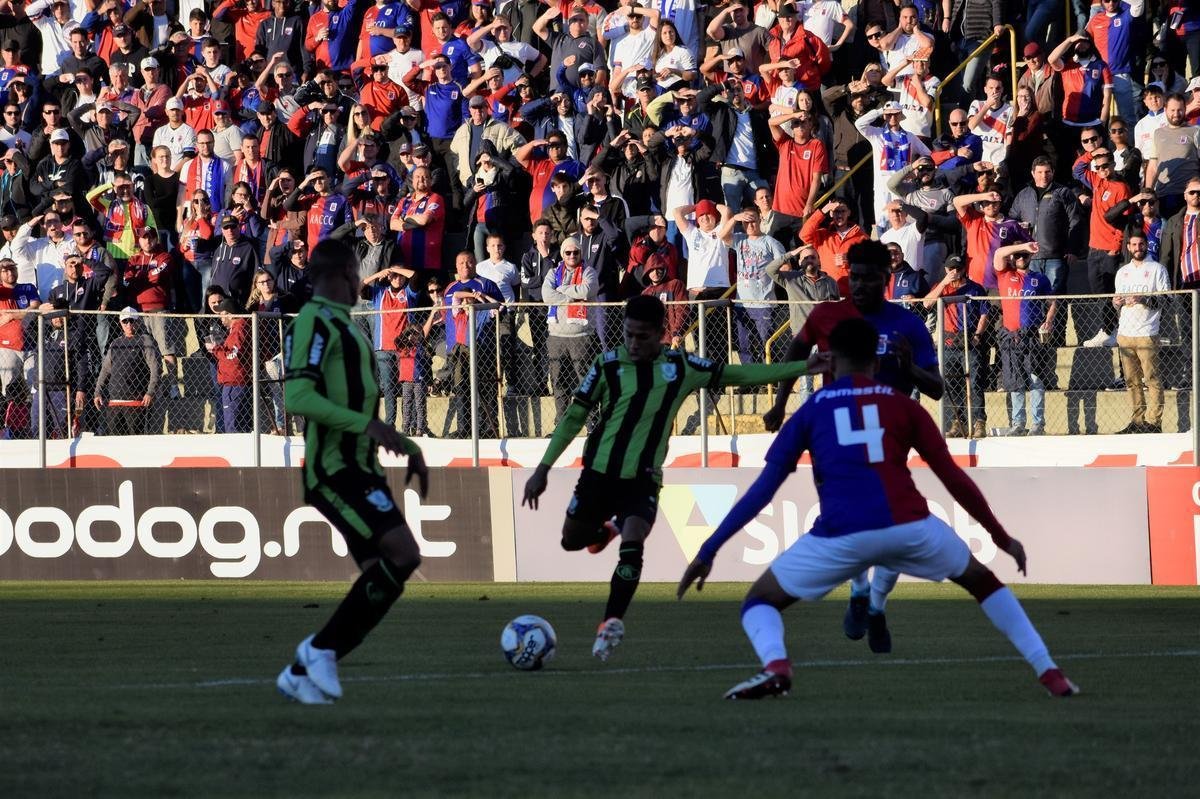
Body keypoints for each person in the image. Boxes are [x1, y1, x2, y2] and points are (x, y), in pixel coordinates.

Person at [677, 316, 1080, 701]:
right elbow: (954, 479)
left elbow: (762, 491)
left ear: (830, 359)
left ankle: (778, 666)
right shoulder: (904, 406)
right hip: (910, 526)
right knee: (984, 582)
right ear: (876, 359)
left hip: (840, 534)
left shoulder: (811, 409)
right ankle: (1051, 673)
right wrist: (1000, 536)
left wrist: (708, 550)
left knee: (760, 602)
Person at [521, 294, 821, 662]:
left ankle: (610, 623)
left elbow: (737, 373)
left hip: (643, 479)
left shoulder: (680, 367)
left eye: (642, 337)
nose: (633, 343)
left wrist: (803, 368)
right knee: (572, 541)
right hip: (598, 475)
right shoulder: (607, 365)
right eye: (629, 335)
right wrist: (543, 469)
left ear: (662, 333)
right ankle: (608, 529)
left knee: (635, 541)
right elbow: (572, 419)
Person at [764, 239, 942, 639]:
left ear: (886, 279)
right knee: (852, 521)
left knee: (896, 530)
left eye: (868, 279)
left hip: (889, 440)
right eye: (854, 277)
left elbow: (937, 389)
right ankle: (862, 592)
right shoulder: (828, 315)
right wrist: (779, 403)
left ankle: (875, 603)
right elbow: (795, 353)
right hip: (837, 437)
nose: (859, 286)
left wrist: (910, 366)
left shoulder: (906, 323)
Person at [277, 237, 428, 705]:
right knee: (403, 554)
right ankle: (319, 650)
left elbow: (362, 407)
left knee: (384, 575)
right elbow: (297, 397)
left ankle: (302, 669)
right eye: (359, 273)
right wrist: (369, 426)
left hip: (360, 466)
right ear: (345, 274)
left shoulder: (344, 324)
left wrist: (406, 446)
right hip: (334, 468)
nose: (362, 280)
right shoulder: (315, 322)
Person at [993, 241, 1056, 436]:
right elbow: (998, 254)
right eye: (1018, 255)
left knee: (1036, 379)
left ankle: (1038, 424)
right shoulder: (1005, 274)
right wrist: (1023, 247)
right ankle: (1018, 423)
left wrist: (1049, 321)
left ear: (1031, 258)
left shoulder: (1040, 278)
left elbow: (1052, 301)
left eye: (1025, 256)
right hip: (1011, 337)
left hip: (1032, 337)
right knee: (1014, 381)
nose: (1021, 258)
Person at [1112, 229, 1171, 435]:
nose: (1138, 248)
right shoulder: (1122, 272)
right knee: (1131, 381)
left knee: (1152, 378)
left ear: (1146, 245)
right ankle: (1137, 421)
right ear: (1128, 247)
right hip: (1125, 332)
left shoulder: (1157, 269)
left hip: (1147, 331)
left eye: (1141, 244)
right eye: (1134, 245)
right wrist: (1116, 303)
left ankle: (1154, 422)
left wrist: (1143, 298)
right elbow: (1117, 301)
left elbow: (1166, 300)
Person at [93, 307, 161, 435]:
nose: (129, 324)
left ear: (138, 321)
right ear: (120, 323)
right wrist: (98, 391)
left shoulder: (145, 340)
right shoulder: (115, 343)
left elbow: (155, 368)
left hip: (136, 401)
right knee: (114, 441)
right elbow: (105, 370)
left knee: (135, 442)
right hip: (114, 402)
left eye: (132, 321)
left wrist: (150, 392)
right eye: (125, 321)